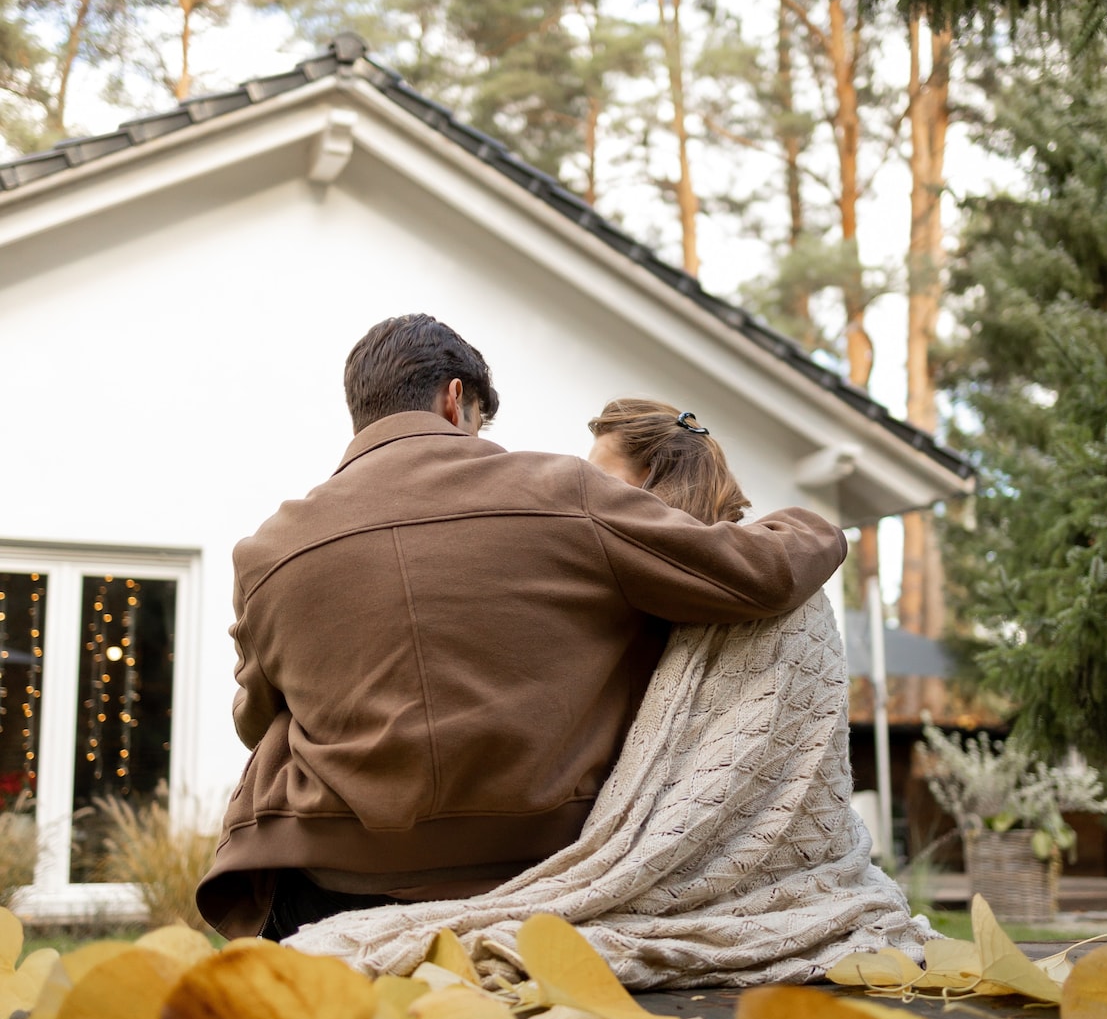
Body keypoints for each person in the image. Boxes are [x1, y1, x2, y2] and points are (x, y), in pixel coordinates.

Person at [195, 314, 849, 941]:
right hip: (534, 867)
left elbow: (254, 724)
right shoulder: (563, 490)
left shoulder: (266, 552)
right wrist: (814, 525)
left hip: (330, 881)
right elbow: (757, 575)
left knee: (284, 709)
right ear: (457, 401)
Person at [283, 396, 933, 987]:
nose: (590, 499)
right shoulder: (615, 574)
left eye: (604, 481)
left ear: (657, 485)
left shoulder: (723, 572)